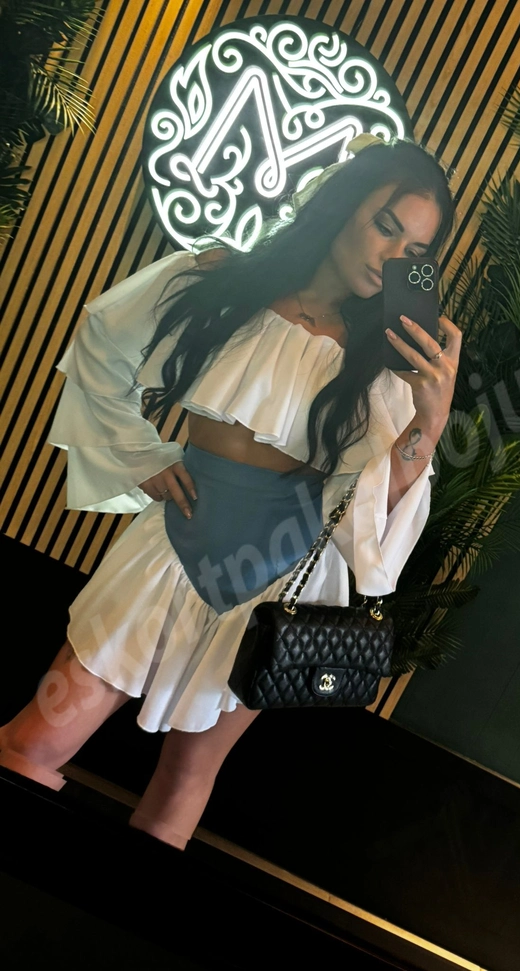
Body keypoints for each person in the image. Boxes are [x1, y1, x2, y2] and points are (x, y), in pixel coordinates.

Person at [0, 134, 461, 851]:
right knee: (32, 742)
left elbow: (372, 515)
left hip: (277, 585)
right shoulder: (224, 278)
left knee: (186, 778)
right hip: (174, 544)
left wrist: (429, 421)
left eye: (416, 250)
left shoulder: (387, 364)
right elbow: (102, 341)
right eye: (385, 225)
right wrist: (140, 454)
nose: (393, 256)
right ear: (344, 204)